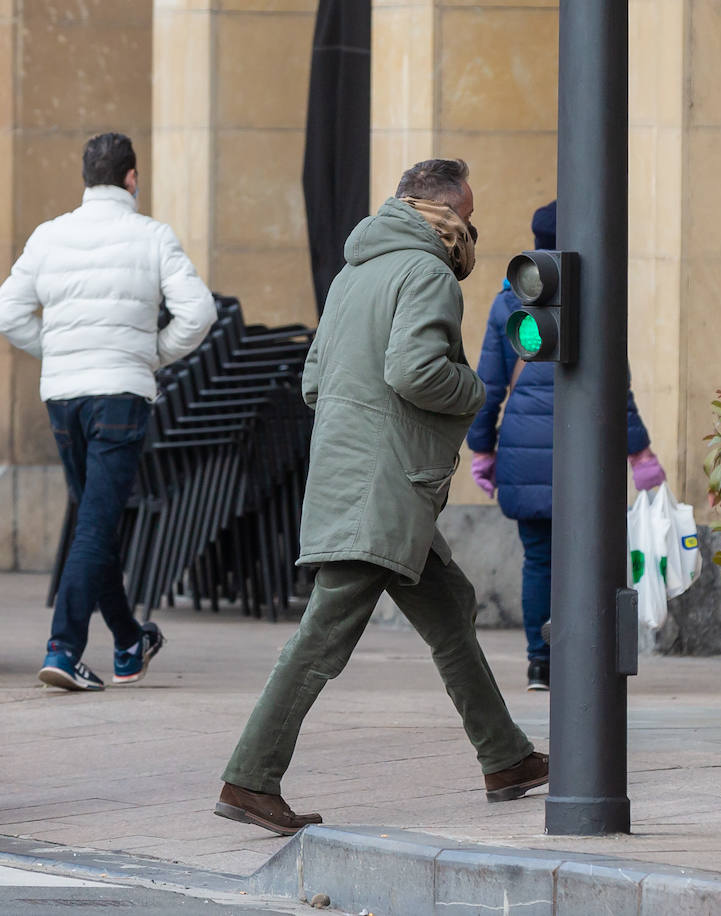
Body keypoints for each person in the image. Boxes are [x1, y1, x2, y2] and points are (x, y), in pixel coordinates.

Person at [215, 159, 547, 837]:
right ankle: (249, 779)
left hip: (361, 476)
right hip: (386, 486)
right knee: (323, 635)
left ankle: (505, 757)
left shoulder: (354, 273)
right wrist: (478, 393)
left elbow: (315, 380)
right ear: (445, 212)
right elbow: (414, 370)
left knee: (450, 609)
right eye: (470, 213)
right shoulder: (425, 272)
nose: (473, 229)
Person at [0, 131, 216, 691]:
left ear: (86, 178)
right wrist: (151, 353)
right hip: (120, 391)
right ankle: (64, 649)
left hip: (63, 394)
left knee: (95, 520)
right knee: (95, 523)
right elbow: (200, 312)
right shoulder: (153, 235)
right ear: (132, 179)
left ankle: (126, 642)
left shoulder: (50, 236)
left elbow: (6, 312)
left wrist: (62, 347)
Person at [466, 200, 665, 692]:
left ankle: (541, 662)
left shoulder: (508, 301)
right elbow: (616, 385)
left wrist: (483, 449)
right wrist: (638, 451)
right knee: (590, 557)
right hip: (588, 455)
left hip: (521, 448)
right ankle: (586, 657)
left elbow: (488, 383)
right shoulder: (595, 298)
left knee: (538, 560)